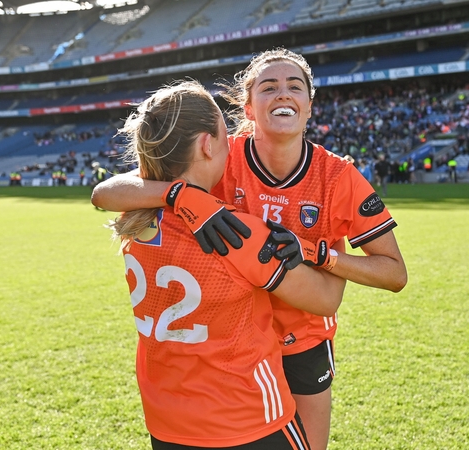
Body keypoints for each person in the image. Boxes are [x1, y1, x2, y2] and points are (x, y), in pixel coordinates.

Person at [93, 48, 407, 449]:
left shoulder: (338, 177)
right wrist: (182, 196)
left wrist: (318, 254)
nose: (283, 93)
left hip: (301, 342)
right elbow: (107, 192)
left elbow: (394, 273)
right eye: (269, 86)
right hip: (232, 353)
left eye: (295, 86)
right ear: (248, 106)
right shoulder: (220, 155)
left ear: (310, 105)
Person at [110, 80, 346, 449]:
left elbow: (104, 193)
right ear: (207, 145)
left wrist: (177, 193)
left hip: (167, 422)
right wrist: (330, 228)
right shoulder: (235, 232)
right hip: (247, 416)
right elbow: (326, 299)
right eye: (225, 136)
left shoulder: (133, 214)